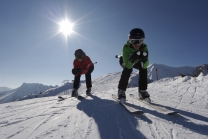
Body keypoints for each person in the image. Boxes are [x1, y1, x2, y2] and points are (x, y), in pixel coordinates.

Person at [117, 28, 150, 102]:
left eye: (140, 41)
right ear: (129, 40)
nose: (137, 45)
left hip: (137, 61)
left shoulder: (144, 47)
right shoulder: (125, 47)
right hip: (126, 61)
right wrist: (133, 58)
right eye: (133, 41)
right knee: (127, 69)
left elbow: (145, 66)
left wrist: (144, 60)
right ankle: (121, 90)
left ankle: (142, 91)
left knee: (143, 69)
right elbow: (128, 65)